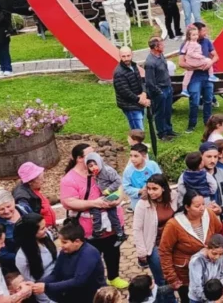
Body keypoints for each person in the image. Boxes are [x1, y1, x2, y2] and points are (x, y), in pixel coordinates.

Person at [59, 144, 126, 289]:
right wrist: (94, 203)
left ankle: (113, 277)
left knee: (113, 251)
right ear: (79, 159)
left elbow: (118, 183)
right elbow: (68, 201)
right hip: (89, 227)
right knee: (91, 257)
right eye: (90, 155)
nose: (95, 157)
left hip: (112, 222)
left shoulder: (102, 168)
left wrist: (119, 198)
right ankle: (95, 284)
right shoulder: (69, 179)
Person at [180, 22, 218, 132]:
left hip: (207, 77)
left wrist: (210, 63)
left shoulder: (207, 42)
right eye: (203, 31)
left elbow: (216, 56)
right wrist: (196, 67)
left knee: (208, 100)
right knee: (194, 102)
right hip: (194, 78)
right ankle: (191, 125)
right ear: (196, 32)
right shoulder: (186, 44)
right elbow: (181, 63)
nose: (205, 33)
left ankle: (208, 123)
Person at [144, 37, 177, 142]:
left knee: (167, 111)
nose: (164, 46)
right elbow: (149, 82)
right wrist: (159, 92)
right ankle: (161, 134)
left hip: (168, 88)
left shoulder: (161, 55)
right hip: (160, 91)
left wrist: (170, 86)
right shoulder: (150, 62)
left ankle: (169, 130)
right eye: (161, 45)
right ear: (155, 47)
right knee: (160, 113)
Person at [113, 46, 149, 130]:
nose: (126, 59)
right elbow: (125, 92)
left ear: (132, 55)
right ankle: (137, 143)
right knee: (138, 130)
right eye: (123, 56)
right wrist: (140, 100)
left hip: (137, 102)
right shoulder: (119, 73)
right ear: (120, 56)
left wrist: (144, 93)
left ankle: (138, 142)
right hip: (129, 105)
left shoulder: (134, 66)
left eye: (128, 56)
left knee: (139, 127)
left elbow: (140, 81)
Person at [13, 163, 55, 228]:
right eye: (40, 179)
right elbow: (29, 220)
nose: (44, 181)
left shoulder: (32, 189)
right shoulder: (23, 198)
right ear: (30, 182)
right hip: (40, 231)